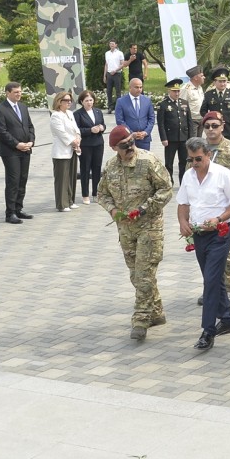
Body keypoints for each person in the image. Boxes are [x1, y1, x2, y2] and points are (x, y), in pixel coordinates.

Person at [96, 125, 174, 341]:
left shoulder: (148, 161)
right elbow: (101, 194)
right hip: (126, 230)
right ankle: (156, 312)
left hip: (149, 226)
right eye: (124, 145)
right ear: (114, 148)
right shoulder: (110, 167)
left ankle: (140, 319)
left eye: (131, 141)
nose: (130, 147)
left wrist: (144, 209)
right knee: (136, 274)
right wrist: (113, 211)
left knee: (143, 274)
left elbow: (166, 189)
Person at [177, 138, 230, 351]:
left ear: (208, 155)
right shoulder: (188, 176)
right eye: (191, 159)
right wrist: (182, 222)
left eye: (198, 159)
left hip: (220, 233)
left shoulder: (224, 174)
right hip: (199, 234)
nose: (195, 163)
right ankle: (226, 319)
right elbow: (182, 203)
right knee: (212, 277)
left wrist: (219, 218)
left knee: (211, 280)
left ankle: (208, 330)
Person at [200, 112, 230, 304]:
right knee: (206, 252)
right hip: (204, 211)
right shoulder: (199, 149)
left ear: (222, 126)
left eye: (215, 125)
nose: (211, 129)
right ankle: (212, 289)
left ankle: (228, 288)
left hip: (227, 211)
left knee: (227, 250)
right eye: (207, 126)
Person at [0, 81, 37, 223]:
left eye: (20, 92)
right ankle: (10, 212)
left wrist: (31, 141)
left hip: (26, 149)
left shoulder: (23, 107)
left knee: (23, 179)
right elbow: (2, 131)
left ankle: (19, 208)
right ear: (7, 93)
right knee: (13, 180)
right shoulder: (0, 109)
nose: (19, 94)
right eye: (16, 92)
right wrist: (17, 144)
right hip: (11, 151)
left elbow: (30, 126)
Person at [156, 78, 194, 180]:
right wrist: (163, 138)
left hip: (183, 138)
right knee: (169, 163)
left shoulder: (184, 103)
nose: (177, 93)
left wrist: (191, 138)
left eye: (178, 91)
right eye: (174, 91)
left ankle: (183, 182)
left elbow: (189, 121)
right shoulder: (163, 105)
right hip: (170, 138)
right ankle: (169, 182)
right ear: (169, 91)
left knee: (184, 162)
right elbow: (161, 123)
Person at [49, 91, 81, 211]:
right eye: (66, 100)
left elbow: (76, 129)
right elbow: (61, 133)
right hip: (62, 150)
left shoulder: (70, 113)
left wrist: (78, 138)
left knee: (71, 176)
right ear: (59, 102)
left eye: (70, 100)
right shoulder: (56, 116)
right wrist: (73, 141)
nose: (69, 103)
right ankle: (62, 204)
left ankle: (70, 200)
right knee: (62, 179)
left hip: (72, 149)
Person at [75, 90, 107, 205]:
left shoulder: (98, 112)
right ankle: (85, 194)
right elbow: (77, 130)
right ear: (81, 102)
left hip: (98, 143)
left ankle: (96, 193)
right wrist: (89, 130)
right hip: (86, 145)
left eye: (91, 100)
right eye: (86, 100)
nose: (89, 103)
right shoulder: (78, 114)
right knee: (85, 169)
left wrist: (102, 127)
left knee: (97, 169)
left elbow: (103, 124)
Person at [115, 78, 156, 150]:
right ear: (130, 87)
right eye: (136, 87)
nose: (139, 89)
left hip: (144, 140)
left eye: (141, 87)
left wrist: (146, 132)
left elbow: (151, 118)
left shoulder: (147, 100)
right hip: (128, 140)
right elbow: (120, 121)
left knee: (144, 160)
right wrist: (131, 133)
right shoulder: (121, 101)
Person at [104, 39, 126, 110]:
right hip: (109, 74)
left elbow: (122, 64)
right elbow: (106, 64)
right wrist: (104, 75)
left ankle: (118, 107)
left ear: (116, 45)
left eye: (113, 44)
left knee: (118, 91)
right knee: (109, 91)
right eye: (110, 44)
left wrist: (115, 70)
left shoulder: (120, 53)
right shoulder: (107, 53)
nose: (111, 45)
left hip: (117, 74)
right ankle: (110, 106)